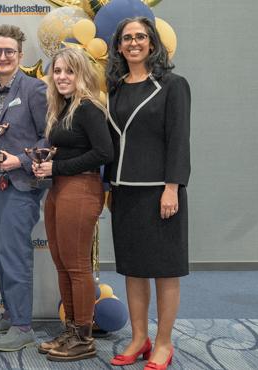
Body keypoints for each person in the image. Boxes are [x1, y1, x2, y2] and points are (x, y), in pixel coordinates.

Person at [104, 17, 191, 370]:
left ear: (152, 43)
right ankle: (139, 338)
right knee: (134, 270)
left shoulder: (172, 85)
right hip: (124, 193)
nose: (134, 43)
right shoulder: (115, 88)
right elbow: (112, 142)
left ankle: (164, 343)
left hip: (160, 193)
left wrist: (172, 187)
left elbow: (179, 141)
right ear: (119, 46)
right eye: (127, 38)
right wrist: (108, 186)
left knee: (164, 270)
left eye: (140, 36)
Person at [33, 47, 114, 362]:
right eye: (57, 71)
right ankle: (71, 329)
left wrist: (57, 167)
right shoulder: (62, 108)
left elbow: (103, 152)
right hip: (60, 188)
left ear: (81, 74)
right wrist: (47, 163)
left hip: (81, 188)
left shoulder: (89, 108)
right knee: (62, 262)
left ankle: (84, 336)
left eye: (69, 71)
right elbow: (71, 148)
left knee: (77, 265)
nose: (62, 77)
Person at [0, 24, 49, 352]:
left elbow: (51, 137)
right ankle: (10, 312)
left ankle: (23, 326)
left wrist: (19, 159)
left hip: (21, 184)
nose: (3, 56)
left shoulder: (34, 89)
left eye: (9, 52)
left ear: (20, 56)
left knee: (14, 254)